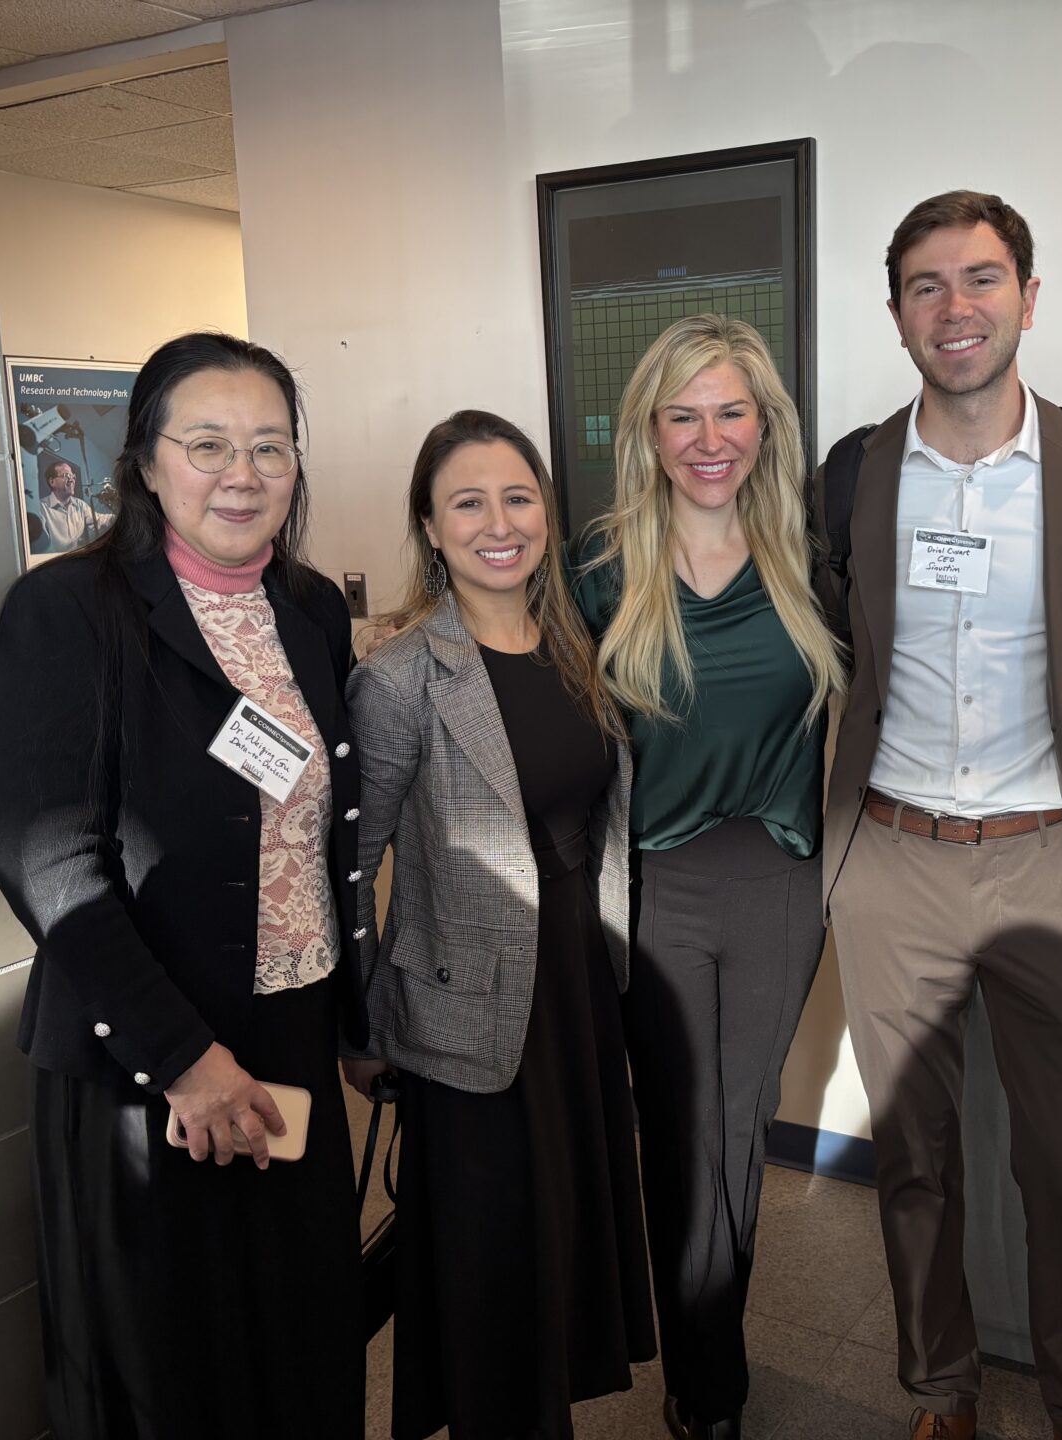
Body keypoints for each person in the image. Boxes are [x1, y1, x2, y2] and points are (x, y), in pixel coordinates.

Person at [810, 190, 1062, 1440]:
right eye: (926, 285)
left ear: (1027, 296)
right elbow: (828, 653)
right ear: (897, 311)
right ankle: (943, 1391)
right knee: (913, 1161)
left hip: (1047, 861)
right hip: (891, 856)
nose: (954, 307)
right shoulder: (851, 475)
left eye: (980, 278)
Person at [0, 333, 367, 1437]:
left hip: (287, 1034)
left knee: (301, 1338)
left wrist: (353, 1017)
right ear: (146, 462)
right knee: (175, 1372)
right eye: (207, 445)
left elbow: (319, 826)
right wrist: (188, 1062)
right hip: (149, 1057)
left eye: (270, 447)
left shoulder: (308, 609)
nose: (242, 474)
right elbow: (49, 859)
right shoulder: (69, 610)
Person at [345, 410, 655, 1440]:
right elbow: (352, 864)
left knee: (557, 1243)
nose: (498, 523)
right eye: (467, 503)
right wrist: (360, 1030)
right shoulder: (400, 679)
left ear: (547, 514)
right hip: (467, 1012)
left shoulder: (578, 649)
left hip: (574, 989)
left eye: (518, 498)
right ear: (431, 528)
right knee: (494, 1265)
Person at [572, 314, 845, 1440]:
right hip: (654, 888)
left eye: (731, 411)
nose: (708, 437)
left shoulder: (812, 564)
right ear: (648, 431)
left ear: (765, 425)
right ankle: (708, 1384)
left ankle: (705, 1370)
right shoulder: (598, 575)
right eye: (682, 414)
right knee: (681, 1133)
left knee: (738, 1126)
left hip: (778, 879)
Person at [36, 457, 99, 552]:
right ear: (52, 481)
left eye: (73, 476)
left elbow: (98, 520)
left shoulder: (80, 505)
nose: (72, 480)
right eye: (66, 476)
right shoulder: (41, 508)